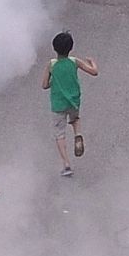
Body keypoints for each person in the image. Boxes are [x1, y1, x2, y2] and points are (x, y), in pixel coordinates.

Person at [42, 31, 98, 176]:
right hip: (73, 101)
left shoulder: (51, 65)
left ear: (54, 48)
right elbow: (94, 72)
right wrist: (92, 62)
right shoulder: (74, 61)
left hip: (58, 104)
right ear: (70, 48)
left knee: (59, 134)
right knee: (75, 119)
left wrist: (54, 81)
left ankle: (66, 165)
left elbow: (44, 85)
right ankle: (77, 134)